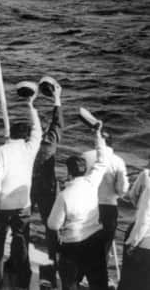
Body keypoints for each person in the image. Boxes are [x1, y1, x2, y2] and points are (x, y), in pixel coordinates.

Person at [0, 92, 42, 289]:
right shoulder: (30, 149)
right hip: (22, 204)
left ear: (11, 134)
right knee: (21, 243)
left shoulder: (1, 151)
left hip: (2, 204)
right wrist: (31, 106)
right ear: (25, 136)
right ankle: (23, 280)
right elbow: (39, 133)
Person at [47, 124, 109, 290]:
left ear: (69, 173)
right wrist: (97, 136)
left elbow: (53, 225)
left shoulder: (64, 195)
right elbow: (102, 161)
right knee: (99, 283)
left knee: (70, 284)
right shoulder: (92, 182)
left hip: (72, 246)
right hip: (95, 241)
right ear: (85, 170)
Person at [30, 77, 63, 285]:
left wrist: (31, 103)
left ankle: (22, 261)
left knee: (22, 223)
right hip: (47, 188)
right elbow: (58, 122)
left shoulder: (29, 143)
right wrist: (57, 99)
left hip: (29, 186)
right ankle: (54, 267)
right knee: (52, 229)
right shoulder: (50, 143)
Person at [82, 128, 129, 271]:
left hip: (87, 207)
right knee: (104, 247)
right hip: (108, 207)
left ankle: (80, 276)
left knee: (85, 244)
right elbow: (122, 190)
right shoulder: (118, 161)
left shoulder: (85, 156)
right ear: (111, 143)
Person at [118, 169, 150, 289]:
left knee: (130, 282)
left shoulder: (147, 180)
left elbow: (144, 220)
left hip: (144, 243)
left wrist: (133, 243)